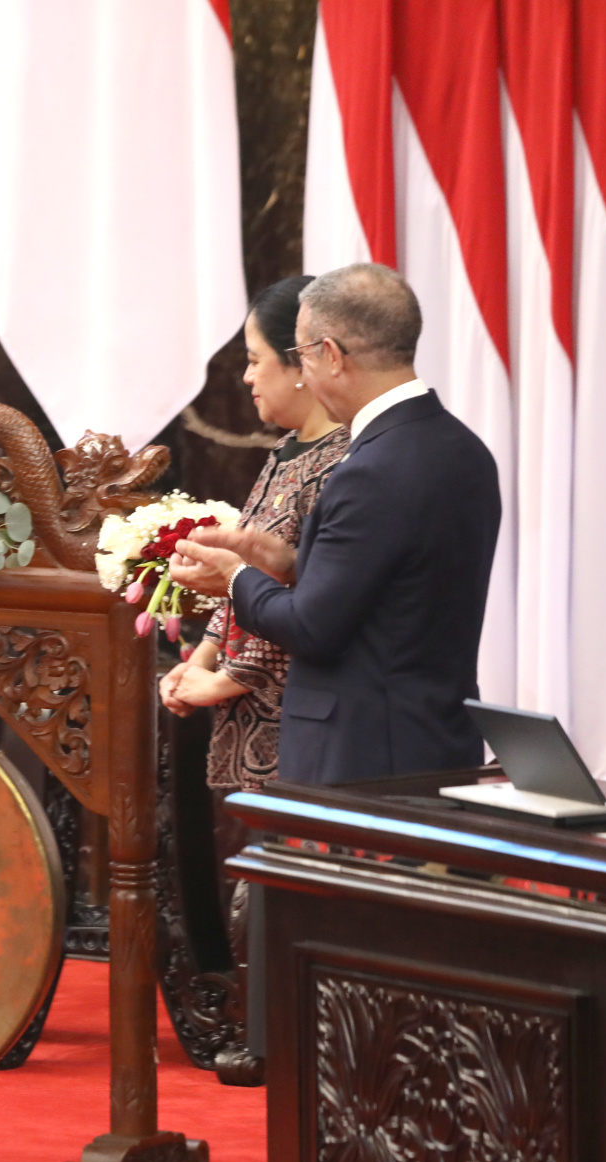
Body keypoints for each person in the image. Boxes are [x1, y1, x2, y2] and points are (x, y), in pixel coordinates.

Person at [169, 263, 500, 784]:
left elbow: (312, 629)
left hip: (364, 759)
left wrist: (234, 578)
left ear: (330, 355)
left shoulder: (372, 468)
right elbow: (393, 593)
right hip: (434, 737)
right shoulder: (464, 449)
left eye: (300, 355)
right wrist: (288, 564)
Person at [160, 276, 350, 793]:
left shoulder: (344, 463)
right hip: (245, 715)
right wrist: (196, 661)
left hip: (301, 720)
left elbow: (310, 593)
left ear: (299, 364)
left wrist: (223, 680)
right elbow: (240, 578)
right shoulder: (283, 452)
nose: (246, 377)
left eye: (254, 359)